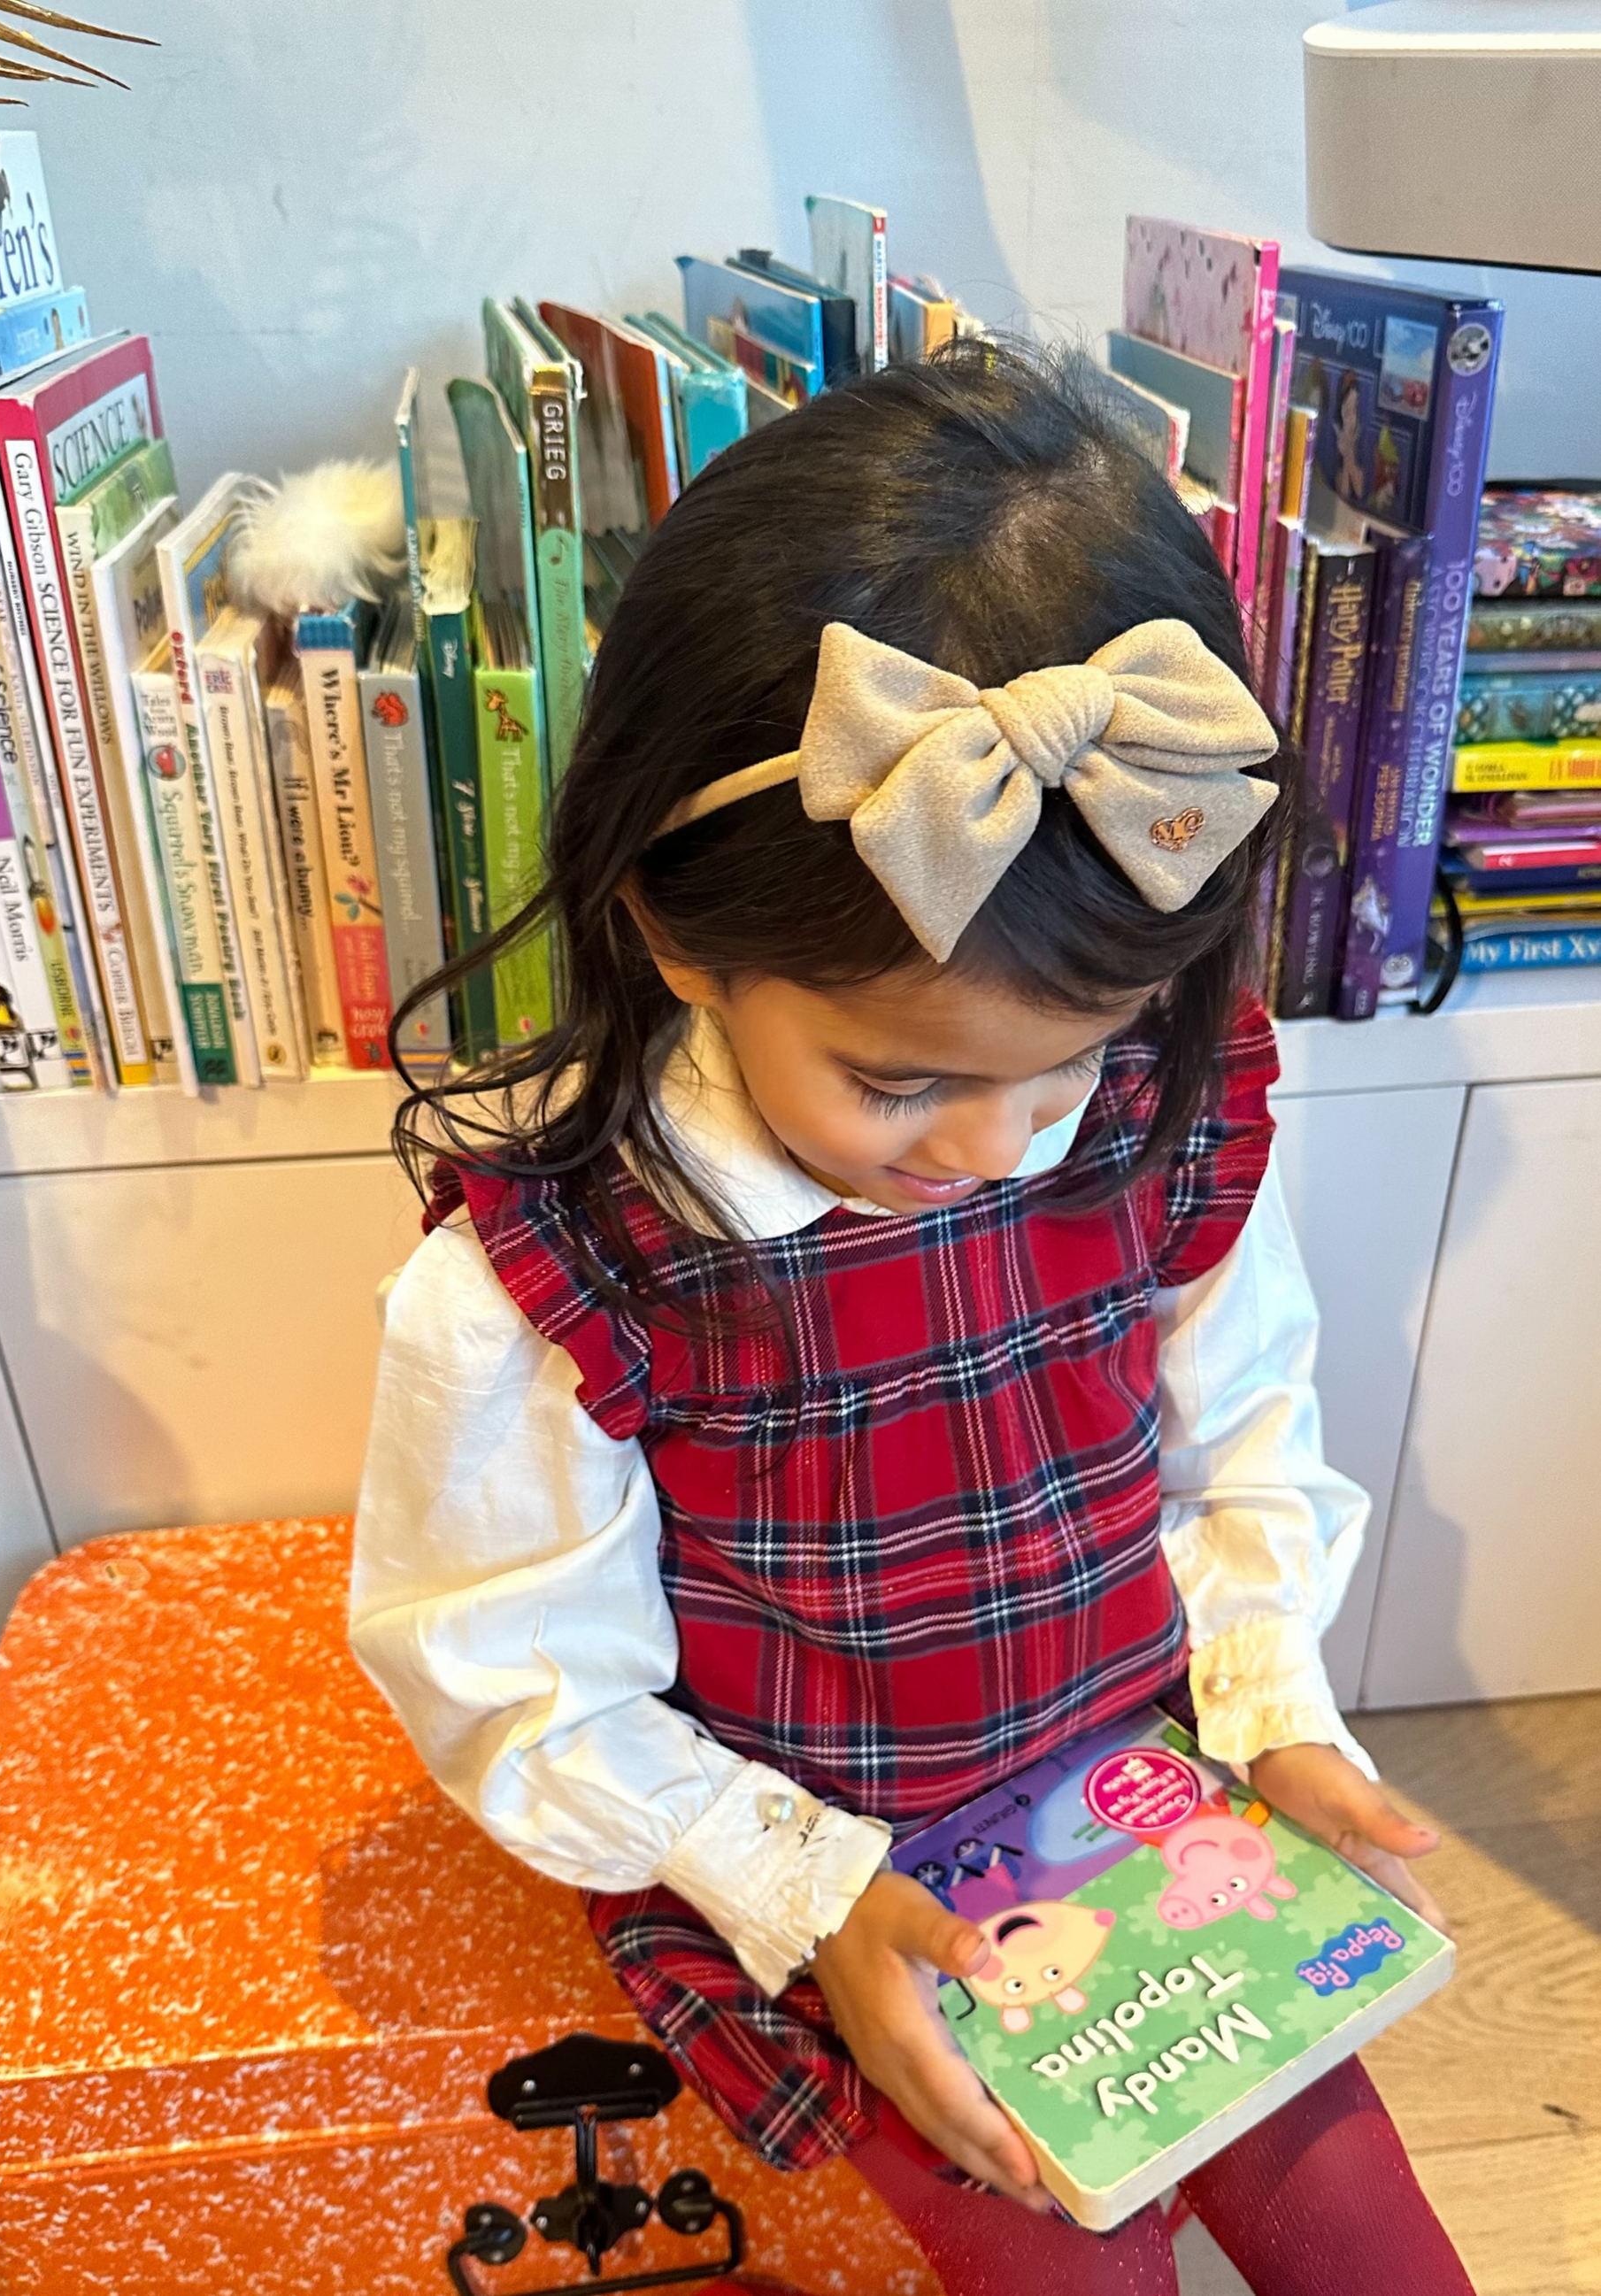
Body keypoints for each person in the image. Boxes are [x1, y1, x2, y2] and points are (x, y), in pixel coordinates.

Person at [350, 346, 1472, 2296]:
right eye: (893, 1082)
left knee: (1373, 2241)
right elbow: (521, 1676)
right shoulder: (564, 1285)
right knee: (1066, 2253)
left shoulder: (1155, 1116)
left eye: (1064, 1066)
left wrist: (1270, 1704)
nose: (989, 1145)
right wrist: (807, 1889)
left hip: (1136, 1795)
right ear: (675, 932)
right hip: (834, 1869)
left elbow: (1236, 1438)